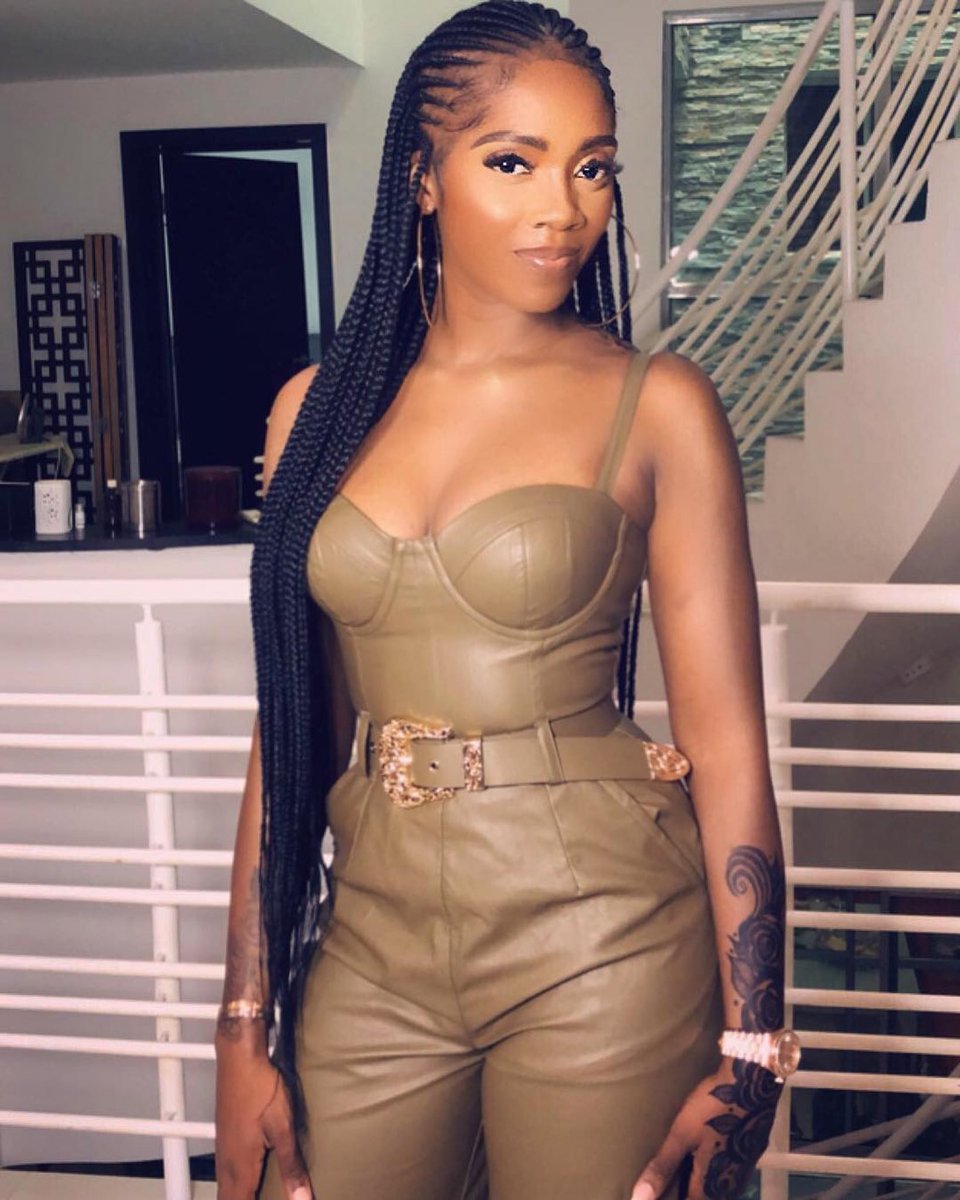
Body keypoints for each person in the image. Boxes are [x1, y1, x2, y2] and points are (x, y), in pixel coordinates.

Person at [214, 3, 798, 1199]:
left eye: (592, 167)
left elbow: (729, 744)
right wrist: (240, 1019)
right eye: (515, 162)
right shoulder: (313, 412)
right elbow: (293, 731)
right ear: (423, 179)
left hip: (605, 940)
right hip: (372, 945)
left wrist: (754, 1045)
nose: (564, 209)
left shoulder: (660, 403)